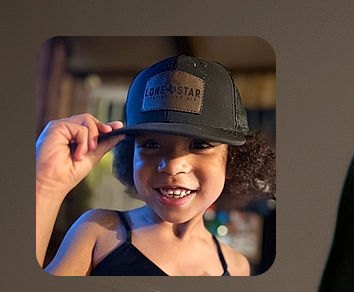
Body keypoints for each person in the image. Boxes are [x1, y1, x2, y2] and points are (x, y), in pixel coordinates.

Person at [36, 54, 275, 276]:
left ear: (232, 160)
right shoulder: (97, 231)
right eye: (151, 144)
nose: (172, 166)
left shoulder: (236, 266)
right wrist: (47, 186)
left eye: (199, 145)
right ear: (131, 155)